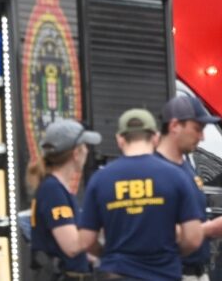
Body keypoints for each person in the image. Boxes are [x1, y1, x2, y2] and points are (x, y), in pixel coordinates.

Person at [78, 108, 204, 281]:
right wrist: (171, 255)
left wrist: (107, 254)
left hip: (116, 273)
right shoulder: (176, 176)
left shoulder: (100, 179)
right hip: (163, 274)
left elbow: (86, 240)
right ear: (156, 138)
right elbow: (194, 238)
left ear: (120, 139)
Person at [156, 95, 222, 281]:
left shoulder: (186, 166)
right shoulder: (154, 172)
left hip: (196, 272)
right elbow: (155, 232)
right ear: (174, 126)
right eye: (197, 129)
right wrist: (210, 229)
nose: (202, 137)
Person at [27, 118, 103, 281]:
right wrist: (96, 226)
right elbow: (72, 246)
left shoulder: (56, 188)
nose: (87, 151)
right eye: (85, 146)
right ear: (76, 153)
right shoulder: (53, 191)